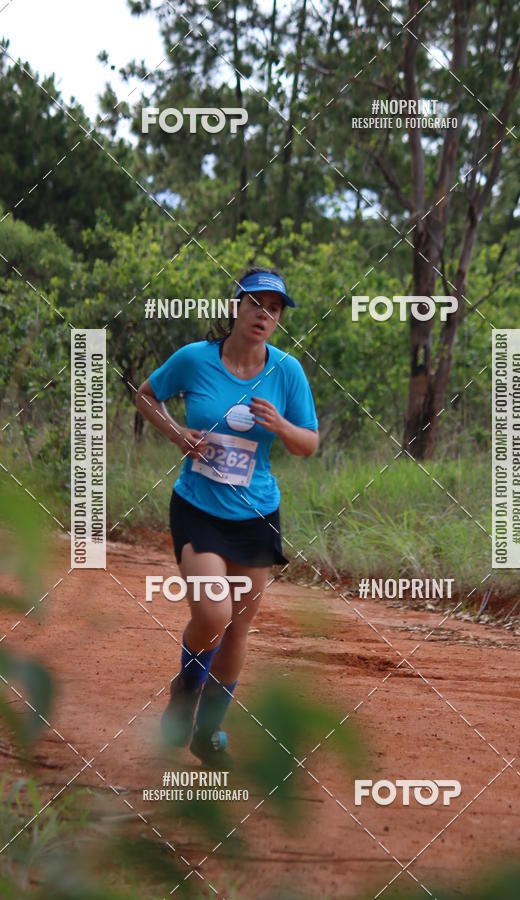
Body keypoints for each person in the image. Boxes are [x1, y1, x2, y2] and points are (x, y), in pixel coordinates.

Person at [136, 266, 319, 767]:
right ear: (236, 305)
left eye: (275, 309)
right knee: (213, 614)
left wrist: (281, 425)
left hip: (256, 512)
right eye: (256, 303)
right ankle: (185, 690)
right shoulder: (195, 359)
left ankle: (208, 733)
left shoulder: (287, 372)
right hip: (197, 506)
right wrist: (175, 433)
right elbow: (146, 396)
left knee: (238, 629)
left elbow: (309, 443)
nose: (264, 315)